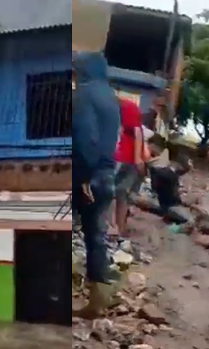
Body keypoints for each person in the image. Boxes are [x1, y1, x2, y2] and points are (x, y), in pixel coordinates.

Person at [72, 51, 121, 319]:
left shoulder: (83, 95)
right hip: (107, 174)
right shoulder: (110, 97)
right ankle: (98, 300)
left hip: (87, 175)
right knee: (95, 236)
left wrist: (82, 178)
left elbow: (85, 139)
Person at [112, 94, 146, 237]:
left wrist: (138, 158)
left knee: (113, 194)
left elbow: (137, 133)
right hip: (124, 157)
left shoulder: (127, 107)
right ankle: (119, 228)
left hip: (123, 157)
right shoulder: (125, 106)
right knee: (121, 195)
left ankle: (114, 227)